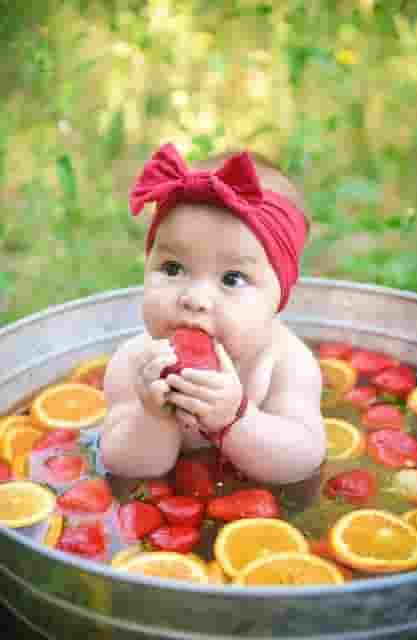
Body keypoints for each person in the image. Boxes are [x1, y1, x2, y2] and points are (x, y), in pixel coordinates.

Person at [100, 143, 326, 485]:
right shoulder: (134, 362)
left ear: (277, 298)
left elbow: (304, 460)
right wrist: (153, 419)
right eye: (173, 268)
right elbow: (121, 466)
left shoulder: (285, 364)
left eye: (232, 278)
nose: (195, 298)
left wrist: (237, 420)